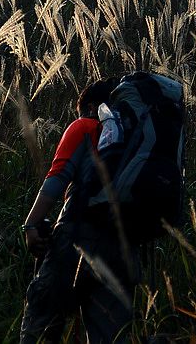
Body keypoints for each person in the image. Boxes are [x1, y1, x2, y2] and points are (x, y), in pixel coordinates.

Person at [20, 77, 140, 344]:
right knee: (109, 336)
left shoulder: (85, 126)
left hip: (78, 237)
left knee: (41, 319)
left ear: (91, 107)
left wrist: (31, 225)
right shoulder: (136, 141)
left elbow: (57, 179)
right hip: (125, 249)